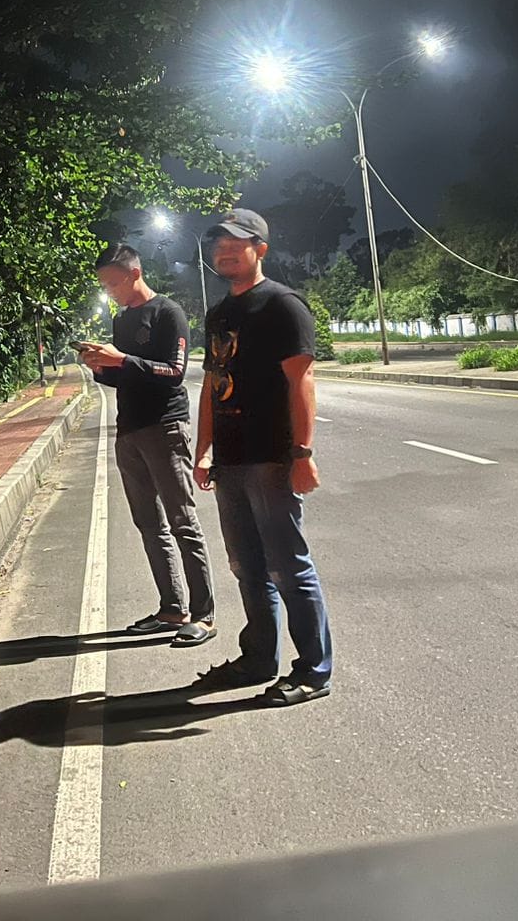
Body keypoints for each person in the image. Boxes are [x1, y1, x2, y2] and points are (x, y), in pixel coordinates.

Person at [193, 207, 333, 706]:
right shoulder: (219, 314)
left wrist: (302, 453)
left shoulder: (283, 305)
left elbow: (302, 381)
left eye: (236, 242)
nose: (225, 251)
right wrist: (203, 449)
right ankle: (257, 660)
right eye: (218, 244)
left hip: (272, 458)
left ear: (261, 249)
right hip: (230, 460)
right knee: (246, 566)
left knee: (288, 567)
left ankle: (313, 671)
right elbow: (212, 384)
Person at [80, 244, 217, 647]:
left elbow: (174, 372)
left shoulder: (167, 312)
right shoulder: (122, 319)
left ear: (134, 274)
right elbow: (124, 376)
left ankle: (204, 615)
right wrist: (100, 367)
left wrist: (121, 360)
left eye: (114, 283)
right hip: (129, 430)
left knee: (182, 522)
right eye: (105, 286)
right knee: (149, 525)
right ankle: (172, 608)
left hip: (165, 427)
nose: (110, 292)